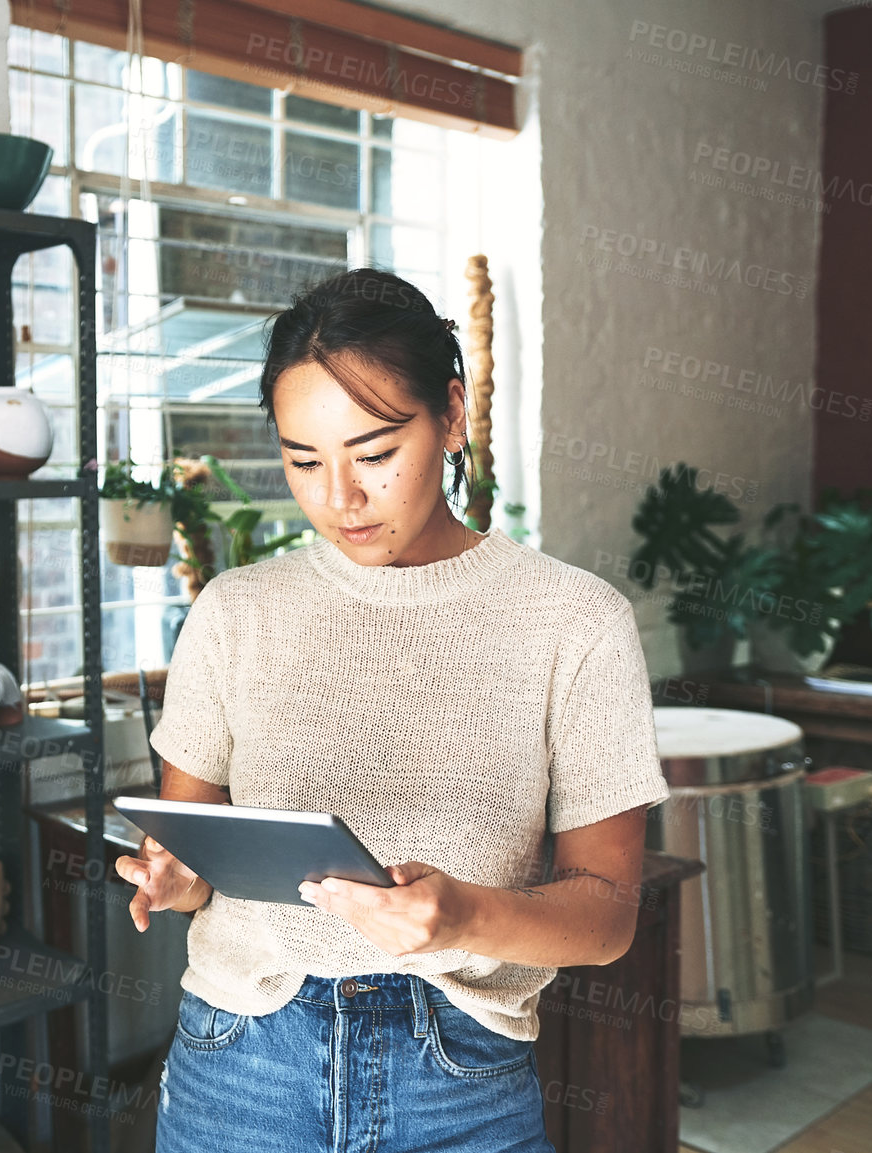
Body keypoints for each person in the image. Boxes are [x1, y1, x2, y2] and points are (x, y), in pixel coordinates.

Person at [115, 267, 671, 1152]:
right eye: (304, 460)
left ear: (451, 413)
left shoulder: (576, 620)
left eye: (375, 454)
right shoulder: (236, 609)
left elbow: (607, 916)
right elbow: (195, 848)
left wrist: (464, 917)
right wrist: (179, 879)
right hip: (242, 1062)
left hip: (458, 1077)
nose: (339, 498)